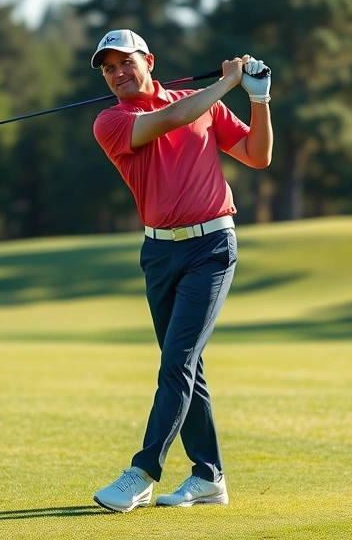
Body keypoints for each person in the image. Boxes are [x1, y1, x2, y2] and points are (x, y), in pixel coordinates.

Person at [88, 28, 273, 513]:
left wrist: (259, 99)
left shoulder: (201, 104)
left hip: (211, 248)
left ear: (148, 60)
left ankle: (142, 473)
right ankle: (209, 477)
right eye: (108, 68)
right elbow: (171, 118)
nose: (117, 73)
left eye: (125, 62)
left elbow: (258, 155)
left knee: (178, 362)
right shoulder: (111, 121)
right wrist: (227, 82)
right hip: (159, 254)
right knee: (186, 365)